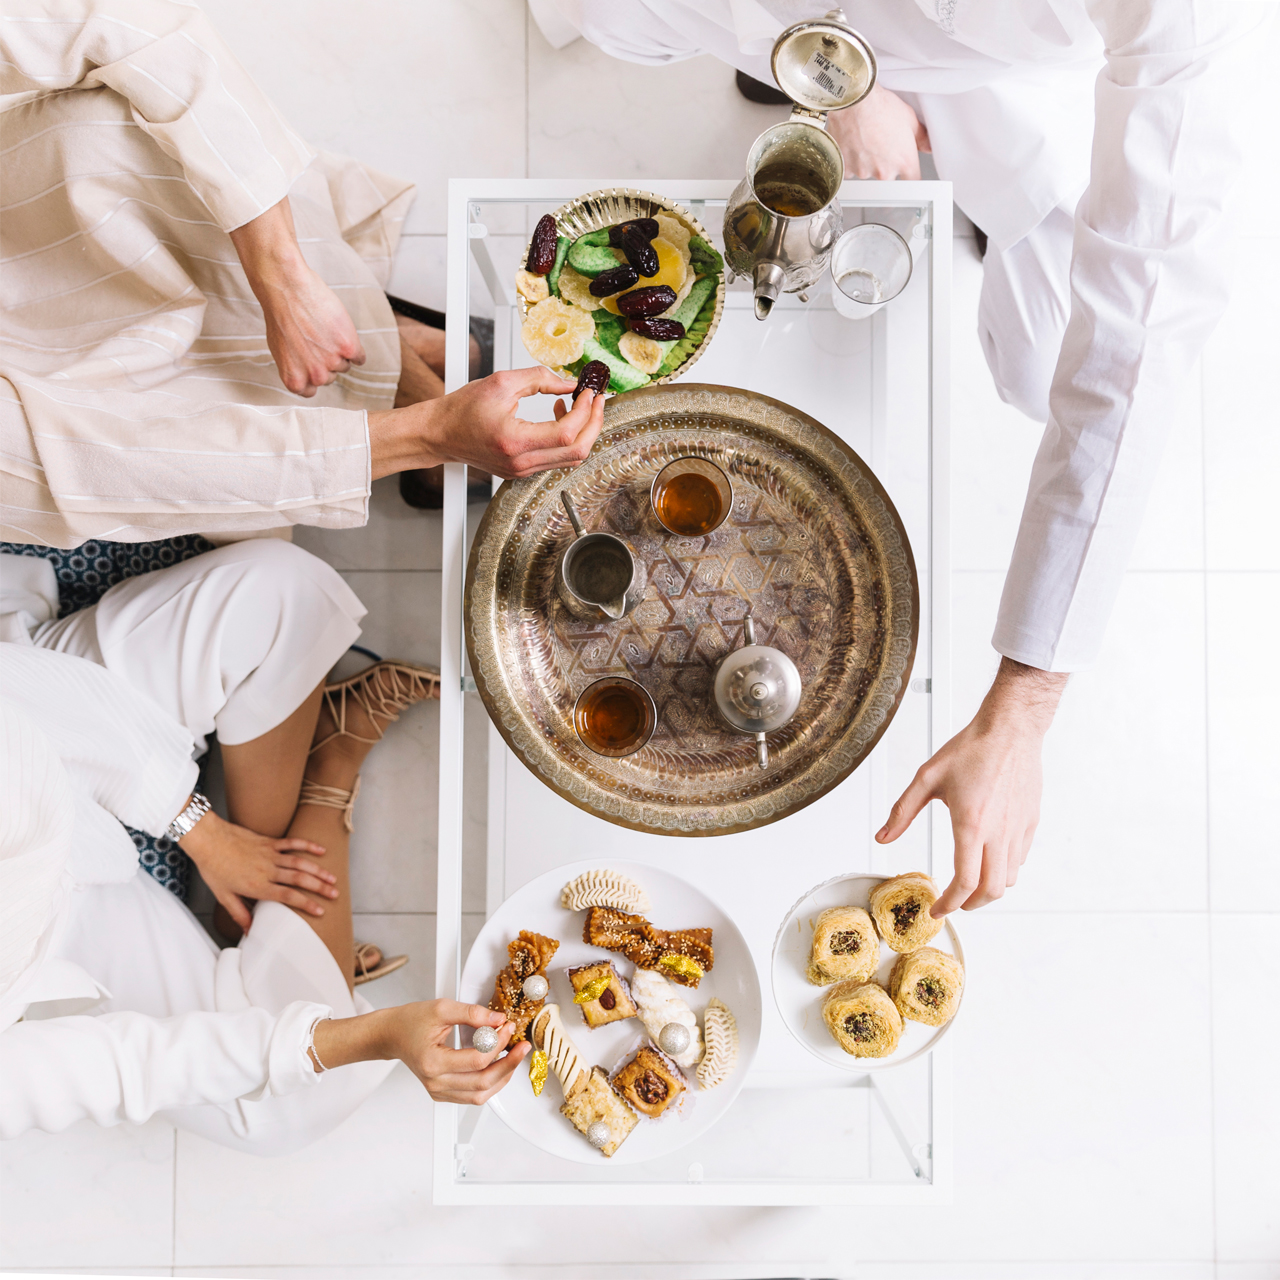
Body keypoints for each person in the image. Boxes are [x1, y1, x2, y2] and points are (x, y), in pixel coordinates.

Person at [532, 0, 1265, 913]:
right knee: (611, 18)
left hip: (1014, 62)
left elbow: (1132, 357)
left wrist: (1021, 713)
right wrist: (840, 70)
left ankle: (958, 121)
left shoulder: (1192, 34)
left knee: (1042, 372)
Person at [0, 0, 602, 548]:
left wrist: (280, 275)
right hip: (82, 380)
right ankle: (415, 386)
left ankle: (401, 348)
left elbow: (119, 17)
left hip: (78, 187)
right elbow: (110, 467)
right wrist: (429, 434)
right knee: (207, 402)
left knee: (119, 150)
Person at [0, 538, 531, 1151]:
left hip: (38, 709)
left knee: (285, 597)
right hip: (49, 927)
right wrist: (376, 1035)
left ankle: (272, 912)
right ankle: (327, 771)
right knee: (291, 1110)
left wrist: (196, 826)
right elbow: (113, 1068)